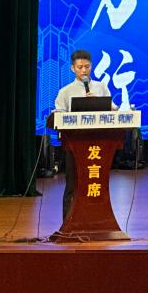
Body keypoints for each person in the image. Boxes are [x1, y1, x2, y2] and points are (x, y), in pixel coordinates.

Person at [54, 49, 113, 220]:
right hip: (74, 145)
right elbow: (59, 115)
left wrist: (99, 104)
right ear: (72, 68)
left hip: (98, 143)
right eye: (80, 67)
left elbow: (112, 109)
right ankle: (68, 221)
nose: (84, 70)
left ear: (91, 66)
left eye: (87, 66)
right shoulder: (65, 91)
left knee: (97, 183)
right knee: (73, 184)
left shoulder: (101, 87)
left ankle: (97, 219)